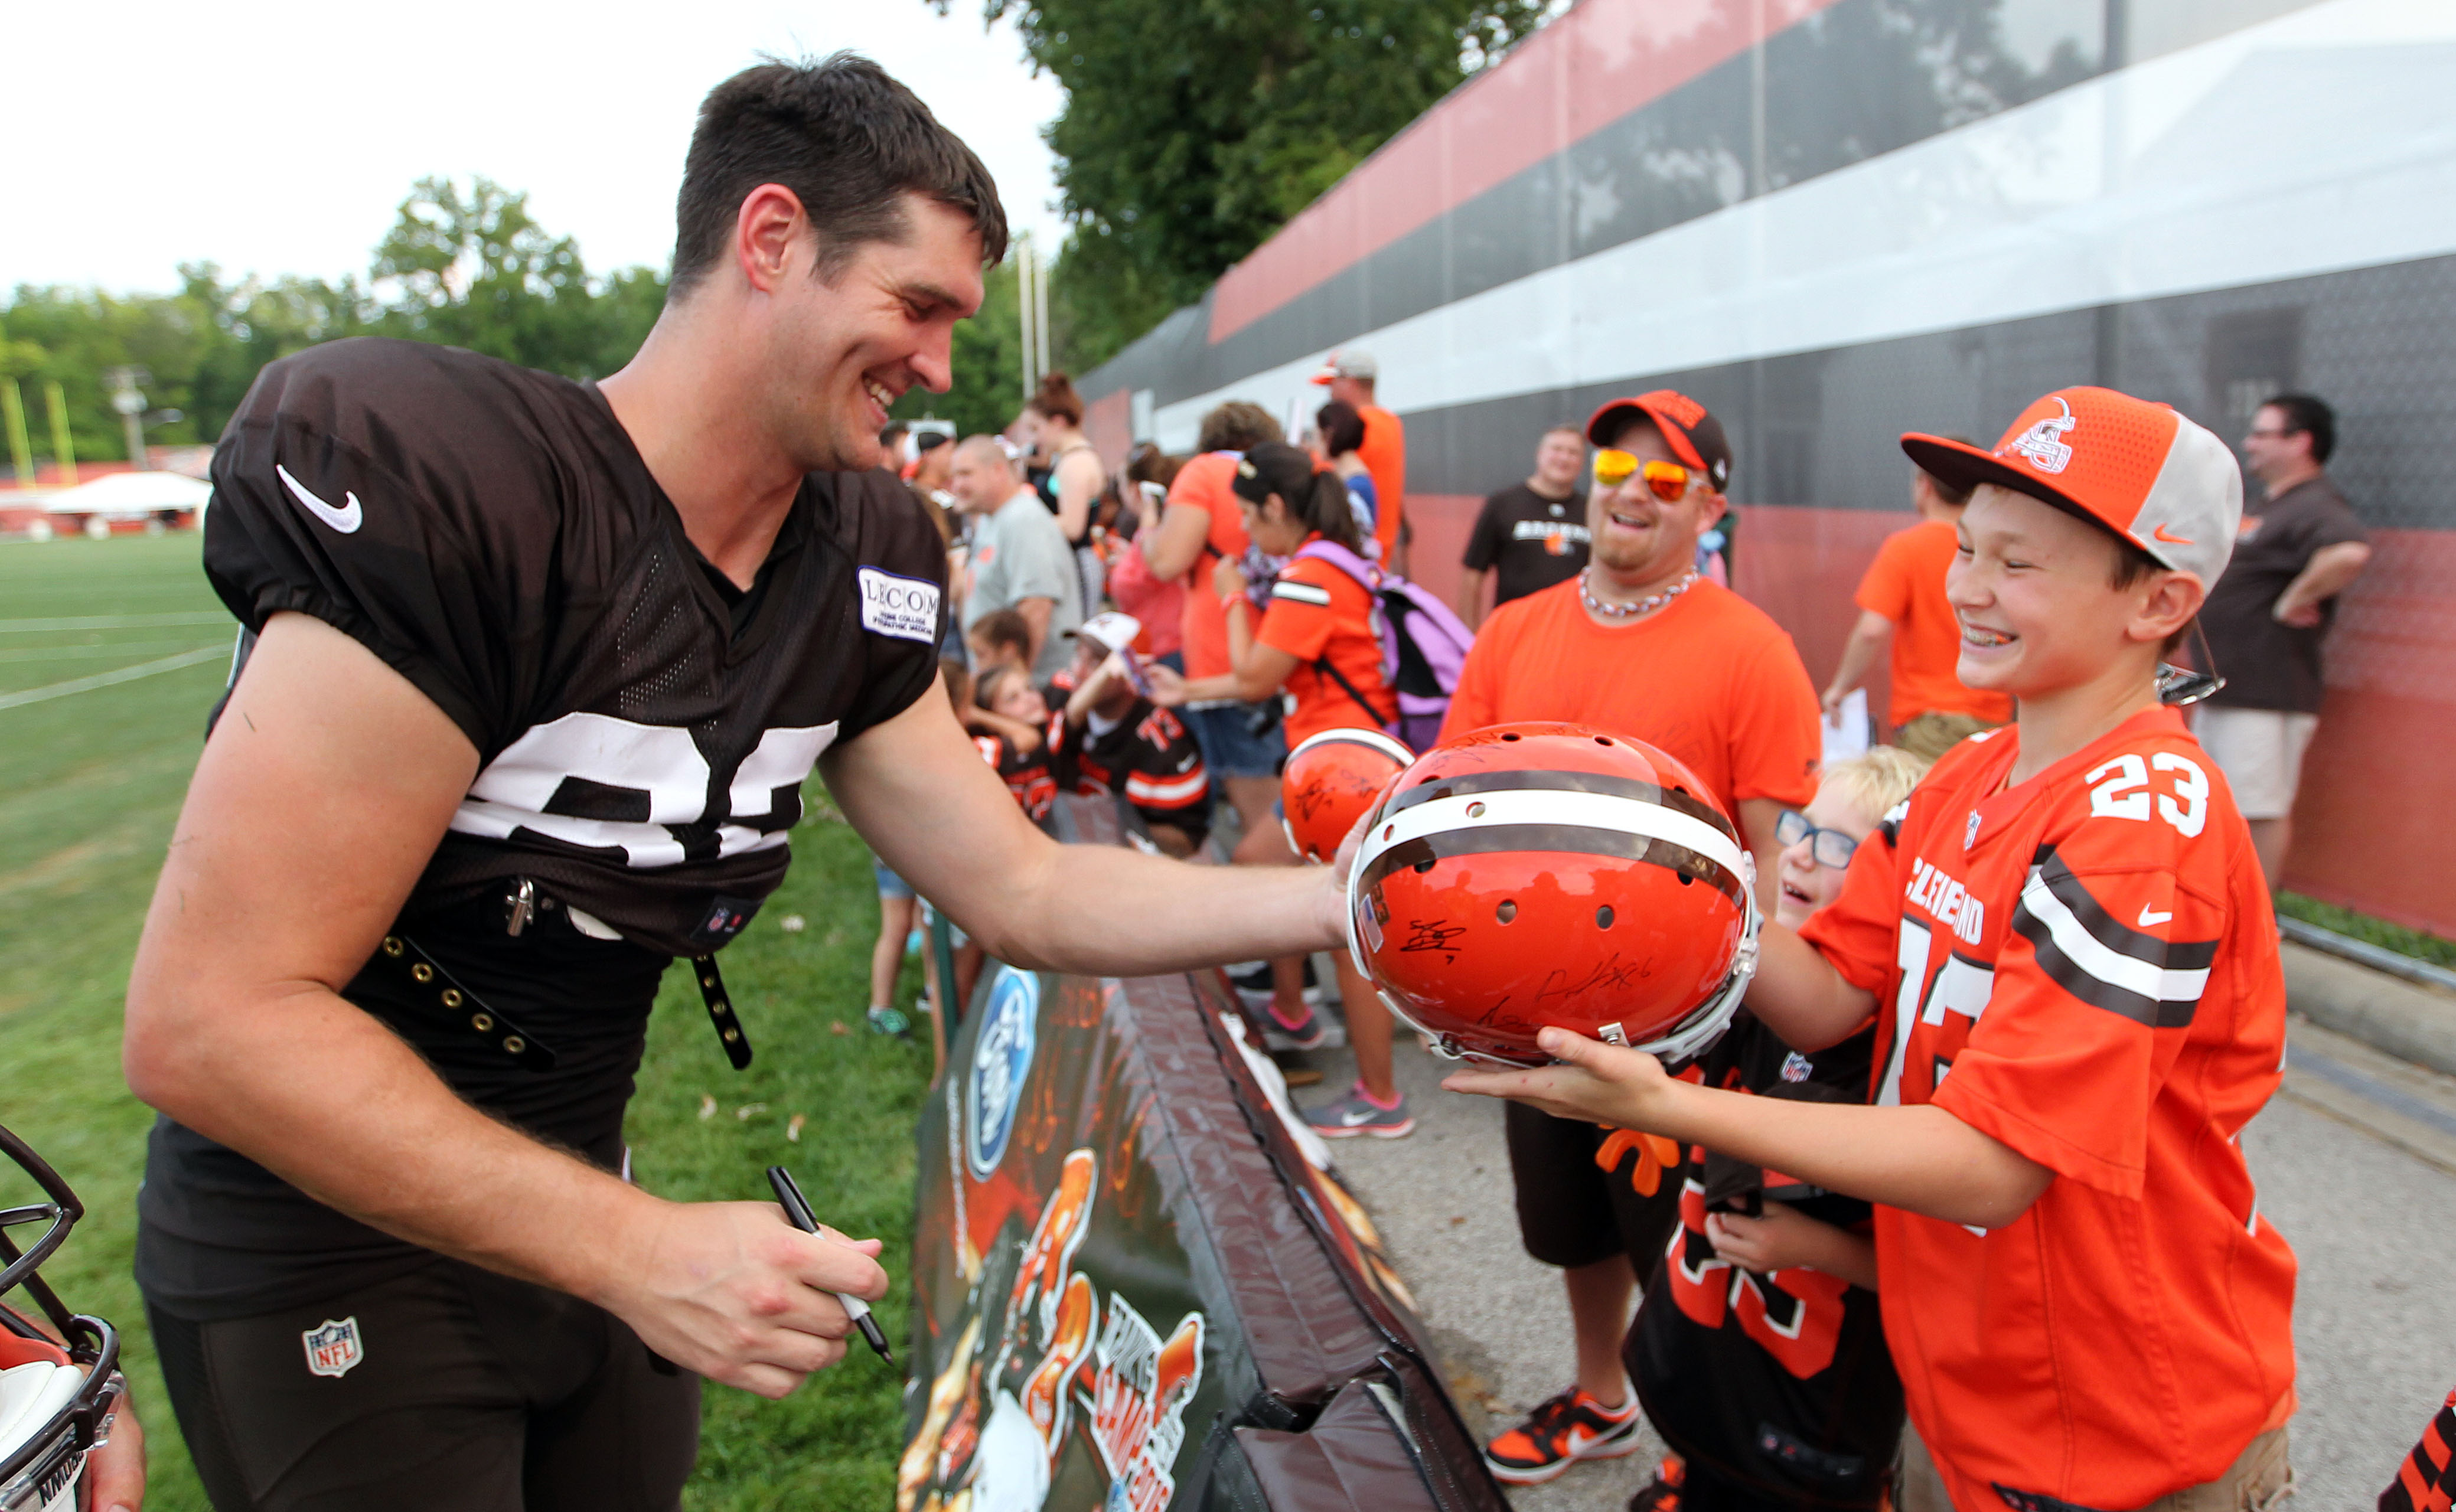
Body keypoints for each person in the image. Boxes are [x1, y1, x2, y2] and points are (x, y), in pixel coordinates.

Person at [122, 54, 1356, 1512]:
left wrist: (1353, 900)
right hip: (323, 1241)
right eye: (917, 307)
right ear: (769, 241)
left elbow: (1018, 881)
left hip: (587, 1194)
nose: (943, 369)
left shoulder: (863, 551)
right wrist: (639, 1248)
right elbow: (211, 1020)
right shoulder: (474, 494)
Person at [1450, 387, 2298, 1512]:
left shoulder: (2144, 820)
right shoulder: (1962, 773)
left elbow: (1991, 1168)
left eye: (2017, 564)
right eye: (1964, 547)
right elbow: (1829, 996)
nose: (1965, 589)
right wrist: (1647, 866)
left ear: (2158, 600)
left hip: (2117, 1422)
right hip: (1963, 1374)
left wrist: (1659, 1105)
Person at [1443, 389, 1819, 1489]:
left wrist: (1743, 1029)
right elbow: (1459, 801)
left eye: (1663, 480)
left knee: (1685, 1249)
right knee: (1570, 1226)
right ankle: (1601, 1396)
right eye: (1615, 468)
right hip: (1527, 1009)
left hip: (1682, 1026)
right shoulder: (1514, 628)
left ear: (1708, 504)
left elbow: (1775, 863)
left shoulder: (1753, 651)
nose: (1628, 493)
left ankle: (1702, 1446)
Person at [1621, 746, 1929, 1512]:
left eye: (1836, 846)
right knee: (1702, 1446)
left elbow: (1949, 1271)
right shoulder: (1754, 988)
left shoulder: (1894, 1059)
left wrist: (1819, 1248)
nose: (1796, 850)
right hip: (1708, 1332)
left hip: (1809, 1401)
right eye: (1801, 827)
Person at [1149, 441, 1409, 1137]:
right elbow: (1264, 676)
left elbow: (1255, 675)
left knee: (1337, 925)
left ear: (1273, 506)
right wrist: (1189, 687)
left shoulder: (1308, 575)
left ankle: (1380, 1095)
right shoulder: (1338, 560)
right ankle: (1294, 1012)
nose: (1241, 531)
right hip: (1345, 761)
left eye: (1245, 514)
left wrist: (1232, 593)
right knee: (1304, 896)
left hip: (1344, 771)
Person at [1137, 403, 1317, 1021]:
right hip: (1266, 664)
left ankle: (1290, 984)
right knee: (1273, 829)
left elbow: (1164, 562)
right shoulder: (1281, 477)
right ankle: (1291, 970)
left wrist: (1151, 521)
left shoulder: (1201, 475)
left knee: (1266, 840)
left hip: (1230, 670)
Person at [2196, 391, 2372, 885]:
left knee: (2256, 808)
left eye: (2262, 433)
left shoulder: (2317, 504)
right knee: (2220, 803)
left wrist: (2294, 597)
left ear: (2301, 442)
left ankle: (2255, 920)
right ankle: (2216, 911)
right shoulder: (2271, 504)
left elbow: (2348, 552)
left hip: (2267, 691)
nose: (2248, 443)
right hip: (2229, 685)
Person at [1819, 453, 2014, 760]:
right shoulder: (2001, 553)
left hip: (1929, 722)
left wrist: (1840, 687)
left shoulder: (1907, 547)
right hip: (1995, 718)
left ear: (1925, 487)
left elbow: (1872, 630)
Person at [1049, 612, 1211, 857]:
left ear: (1132, 677)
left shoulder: (1162, 747)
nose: (1078, 671)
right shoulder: (1060, 691)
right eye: (1077, 654)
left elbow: (1184, 840)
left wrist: (1117, 827)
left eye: (1096, 664)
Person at [952, 433, 1082, 683]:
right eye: (954, 475)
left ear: (998, 471)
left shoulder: (1022, 520)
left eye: (966, 474)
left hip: (1035, 687)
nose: (956, 485)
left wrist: (1014, 685)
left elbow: (1035, 607)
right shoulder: (995, 517)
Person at [1456, 423, 1590, 628]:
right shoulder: (1504, 504)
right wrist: (1468, 636)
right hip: (1513, 629)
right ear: (1539, 453)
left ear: (1582, 462)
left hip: (1572, 632)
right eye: (1557, 449)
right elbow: (1473, 573)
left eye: (1573, 453)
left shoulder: (1592, 511)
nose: (1564, 458)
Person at [1022, 371, 1109, 619]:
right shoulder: (1070, 460)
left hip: (1075, 567)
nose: (1034, 439)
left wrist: (1023, 525)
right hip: (1068, 564)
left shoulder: (1076, 464)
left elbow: (1072, 526)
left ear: (1058, 422)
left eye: (1035, 429)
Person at [1312, 350, 1405, 572]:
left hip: (1356, 554)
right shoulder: (1391, 422)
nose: (1330, 394)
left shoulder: (1363, 425)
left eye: (1332, 385)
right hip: (1377, 550)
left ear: (1350, 383)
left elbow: (1316, 476)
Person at [1312, 399, 1380, 551]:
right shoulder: (1351, 479)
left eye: (1315, 435)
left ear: (1328, 436)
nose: (1313, 445)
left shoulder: (1355, 486)